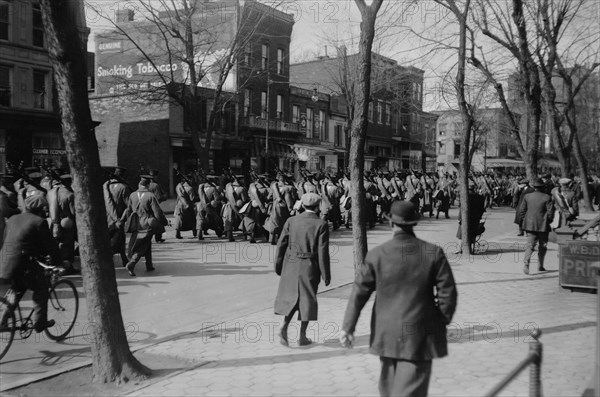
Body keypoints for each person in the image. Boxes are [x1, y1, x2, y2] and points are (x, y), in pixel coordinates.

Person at [339, 200, 458, 397]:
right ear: (415, 223)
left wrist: (348, 327)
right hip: (420, 333)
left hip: (386, 332)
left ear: (390, 223)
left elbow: (359, 292)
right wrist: (439, 320)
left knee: (388, 389)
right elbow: (448, 293)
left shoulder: (377, 255)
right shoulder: (432, 252)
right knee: (411, 390)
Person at [274, 192, 331, 347]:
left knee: (292, 297)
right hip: (310, 266)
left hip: (291, 265)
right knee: (307, 300)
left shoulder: (291, 221)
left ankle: (284, 327)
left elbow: (281, 244)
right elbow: (322, 252)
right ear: (318, 206)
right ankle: (302, 336)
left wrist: (278, 266)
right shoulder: (321, 224)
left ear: (303, 205)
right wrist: (326, 275)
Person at [0, 195, 60, 332]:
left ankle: (2, 320)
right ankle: (40, 324)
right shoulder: (39, 222)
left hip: (5, 262)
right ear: (40, 209)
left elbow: (14, 241)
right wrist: (58, 261)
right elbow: (49, 246)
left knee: (17, 289)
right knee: (41, 288)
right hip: (22, 264)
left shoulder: (12, 219)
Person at [121, 175, 168, 277]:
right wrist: (164, 222)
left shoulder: (132, 195)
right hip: (147, 224)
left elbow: (128, 210)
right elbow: (158, 213)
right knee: (143, 245)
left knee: (146, 242)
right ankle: (132, 263)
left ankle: (149, 264)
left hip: (135, 224)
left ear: (139, 183)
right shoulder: (151, 196)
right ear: (148, 185)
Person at [519, 178, 555, 274]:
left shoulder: (527, 196)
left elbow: (522, 211)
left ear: (534, 187)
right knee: (543, 246)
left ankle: (526, 264)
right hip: (543, 226)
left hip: (530, 225)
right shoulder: (547, 197)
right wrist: (548, 221)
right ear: (542, 187)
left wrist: (526, 219)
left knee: (529, 246)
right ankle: (540, 265)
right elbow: (550, 212)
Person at [47, 174, 79, 275]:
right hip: (66, 224)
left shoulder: (52, 192)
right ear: (70, 182)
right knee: (67, 246)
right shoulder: (70, 195)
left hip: (53, 222)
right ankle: (66, 268)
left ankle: (55, 265)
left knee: (57, 244)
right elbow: (74, 212)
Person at [103, 166, 131, 266]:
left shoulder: (105, 186)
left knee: (114, 238)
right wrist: (122, 219)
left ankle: (124, 258)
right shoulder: (123, 187)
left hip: (106, 218)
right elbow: (129, 206)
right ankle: (112, 259)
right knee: (117, 238)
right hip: (118, 218)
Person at [173, 174, 197, 239]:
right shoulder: (190, 188)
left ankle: (177, 233)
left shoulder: (179, 187)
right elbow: (192, 199)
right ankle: (194, 231)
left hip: (179, 205)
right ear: (190, 180)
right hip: (188, 206)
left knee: (179, 219)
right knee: (192, 218)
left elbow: (178, 197)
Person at [148, 170, 167, 243]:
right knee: (159, 221)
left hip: (147, 205)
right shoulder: (155, 185)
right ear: (155, 177)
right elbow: (158, 197)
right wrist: (164, 196)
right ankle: (158, 238)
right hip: (155, 206)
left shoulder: (148, 185)